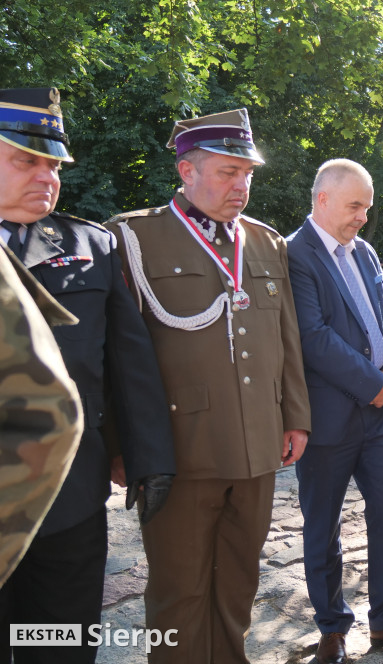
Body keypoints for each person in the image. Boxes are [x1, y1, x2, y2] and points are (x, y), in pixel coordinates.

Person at [106, 108, 311, 664]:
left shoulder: (266, 242)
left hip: (257, 445)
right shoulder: (133, 237)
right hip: (179, 448)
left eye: (247, 174)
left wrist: (294, 417)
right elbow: (118, 355)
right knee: (178, 589)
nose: (241, 186)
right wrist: (122, 446)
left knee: (240, 579)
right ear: (187, 171)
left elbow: (286, 338)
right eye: (227, 172)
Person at [0, 87, 176, 664]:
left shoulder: (90, 245)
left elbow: (128, 365)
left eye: (53, 164)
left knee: (61, 644)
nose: (46, 176)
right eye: (26, 160)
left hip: (68, 496)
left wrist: (147, 458)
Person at [285, 159, 383, 664]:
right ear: (323, 199)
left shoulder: (365, 251)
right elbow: (313, 337)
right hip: (327, 419)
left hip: (379, 417)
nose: (362, 217)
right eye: (355, 206)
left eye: (367, 207)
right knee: (322, 526)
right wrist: (374, 383)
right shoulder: (296, 254)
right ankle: (331, 626)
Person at [0, 243, 83, 587]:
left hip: (80, 490)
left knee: (61, 634)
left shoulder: (88, 241)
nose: (49, 183)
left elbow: (128, 352)